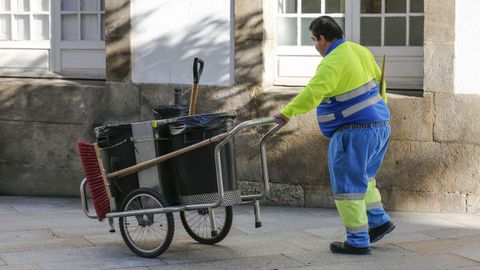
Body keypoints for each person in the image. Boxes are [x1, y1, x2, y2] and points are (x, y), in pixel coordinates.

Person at [274, 16, 395, 255]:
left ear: (322, 39)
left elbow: (313, 93)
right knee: (365, 178)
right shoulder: (360, 51)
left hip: (354, 132)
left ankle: (358, 240)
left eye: (313, 40)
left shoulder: (332, 61)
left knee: (348, 186)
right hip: (381, 126)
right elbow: (381, 84)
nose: (315, 46)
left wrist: (287, 112)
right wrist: (380, 113)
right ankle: (378, 221)